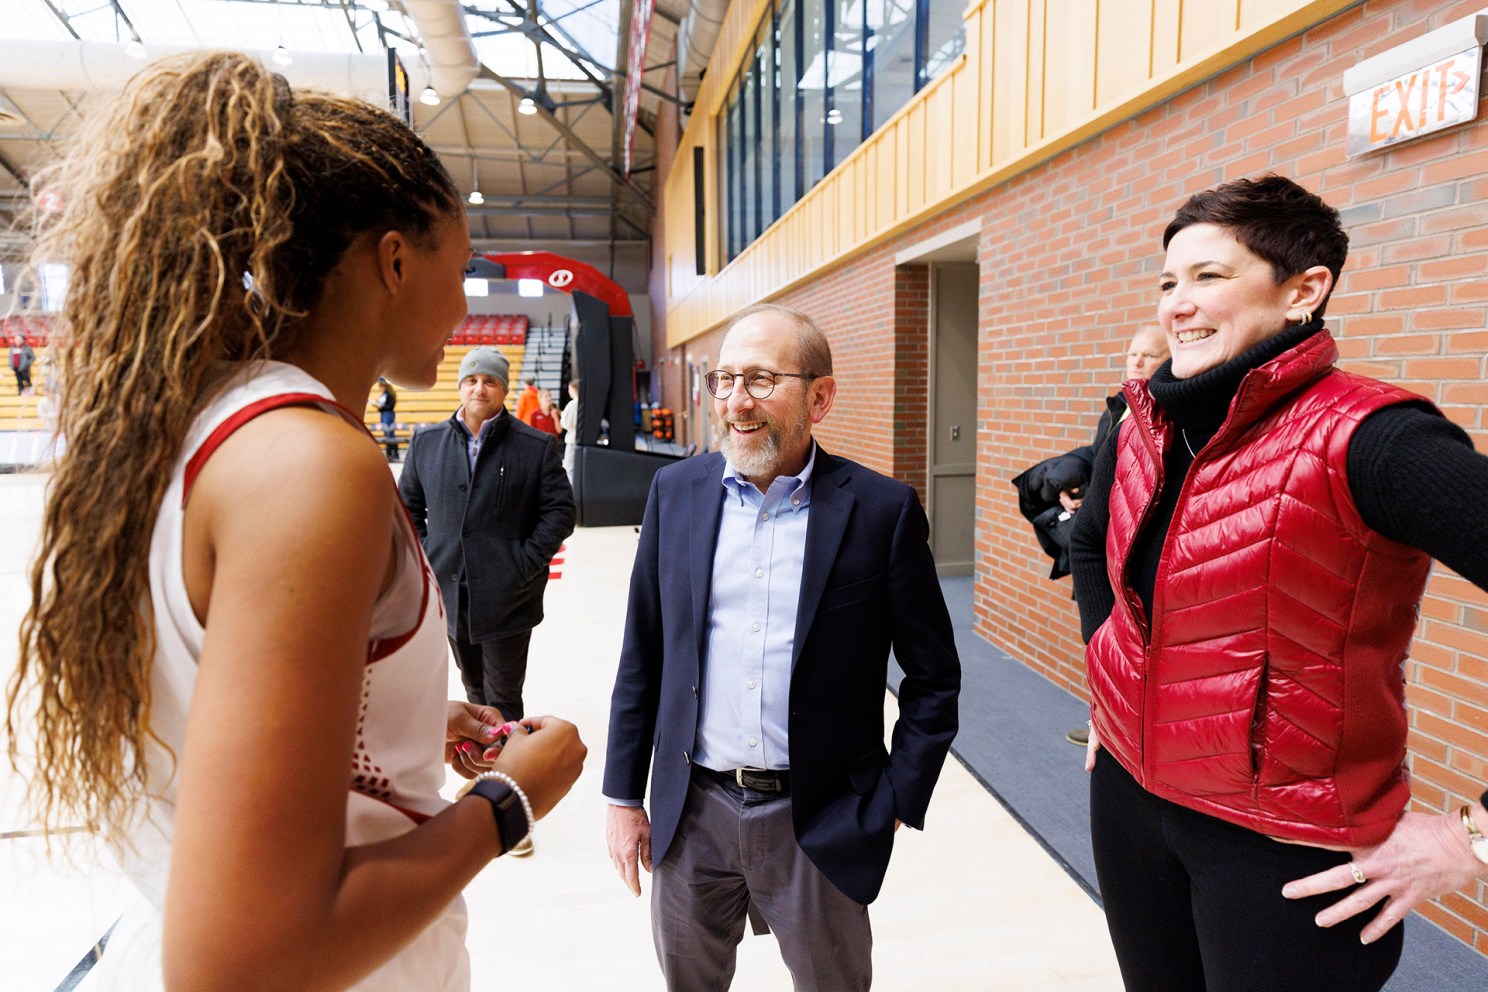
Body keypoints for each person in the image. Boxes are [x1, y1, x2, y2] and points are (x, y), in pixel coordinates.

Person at [3, 52, 586, 992]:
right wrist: (509, 802)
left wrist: (394, 719)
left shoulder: (211, 424)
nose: (465, 300)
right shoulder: (309, 467)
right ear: (395, 259)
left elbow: (215, 685)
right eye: (462, 262)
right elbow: (244, 959)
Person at [1069, 174, 1488, 992]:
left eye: (1209, 277)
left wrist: (1473, 837)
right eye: (1167, 282)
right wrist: (1110, 683)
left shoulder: (1374, 439)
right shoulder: (1139, 430)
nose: (1175, 305)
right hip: (1128, 801)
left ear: (1305, 289)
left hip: (1286, 852)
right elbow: (1092, 547)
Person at [603, 303, 962, 991]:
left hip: (822, 816)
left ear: (819, 397)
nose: (737, 401)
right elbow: (642, 655)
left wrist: (892, 799)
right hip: (692, 814)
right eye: (725, 379)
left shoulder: (881, 512)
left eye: (762, 380)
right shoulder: (674, 493)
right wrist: (623, 796)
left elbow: (934, 678)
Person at [1011, 326, 1168, 747]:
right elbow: (1103, 460)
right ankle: (1104, 715)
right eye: (1132, 354)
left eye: (1149, 356)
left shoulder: (1162, 415)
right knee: (1101, 637)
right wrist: (1073, 484)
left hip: (1126, 552)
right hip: (1097, 541)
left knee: (1125, 641)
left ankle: (1121, 729)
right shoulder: (1119, 408)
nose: (1136, 361)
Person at [400, 346, 575, 722]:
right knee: (472, 686)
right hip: (450, 590)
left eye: (490, 381)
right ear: (461, 387)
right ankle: (481, 762)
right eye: (472, 380)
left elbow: (560, 512)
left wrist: (522, 564)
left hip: (507, 595)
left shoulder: (535, 446)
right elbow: (405, 510)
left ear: (503, 389)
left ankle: (506, 773)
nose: (480, 388)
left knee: (504, 694)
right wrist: (428, 556)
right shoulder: (425, 443)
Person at [559, 378, 579, 478]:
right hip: (579, 437)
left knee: (569, 467)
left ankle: (571, 490)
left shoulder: (572, 404)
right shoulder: (583, 403)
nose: (568, 391)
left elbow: (565, 423)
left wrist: (562, 417)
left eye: (569, 389)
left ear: (574, 389)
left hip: (572, 438)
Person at [375, 379, 399, 461]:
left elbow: (390, 406)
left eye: (381, 386)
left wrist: (382, 407)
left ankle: (394, 453)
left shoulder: (390, 395)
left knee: (390, 432)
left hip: (388, 414)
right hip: (384, 414)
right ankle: (389, 453)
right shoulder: (384, 395)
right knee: (386, 433)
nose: (380, 388)